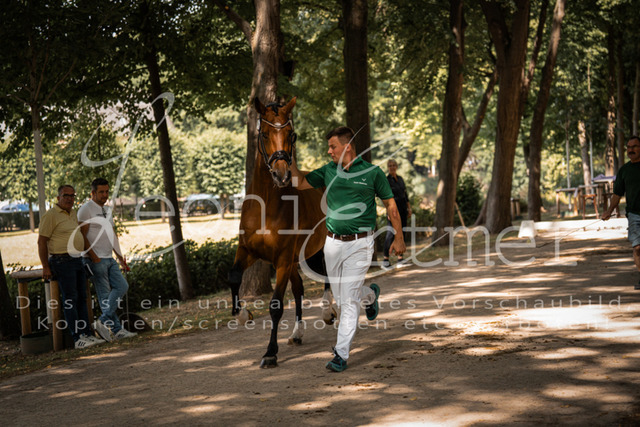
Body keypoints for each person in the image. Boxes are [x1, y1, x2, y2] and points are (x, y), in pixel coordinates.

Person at [291, 126, 406, 372]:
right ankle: (370, 295)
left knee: (347, 302)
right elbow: (298, 183)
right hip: (332, 244)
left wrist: (399, 237)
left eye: (333, 146)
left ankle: (341, 354)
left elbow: (391, 205)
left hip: (360, 243)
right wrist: (289, 158)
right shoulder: (327, 171)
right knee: (344, 295)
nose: (329, 151)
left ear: (348, 146)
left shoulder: (373, 173)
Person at [38, 185, 105, 349]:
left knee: (82, 298)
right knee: (70, 299)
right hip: (62, 261)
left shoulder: (73, 213)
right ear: (58, 198)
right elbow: (41, 242)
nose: (69, 199)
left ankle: (87, 334)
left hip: (77, 260)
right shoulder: (51, 215)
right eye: (65, 195)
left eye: (72, 196)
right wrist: (45, 266)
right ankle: (77, 337)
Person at [78, 178, 137, 341]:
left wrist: (120, 257)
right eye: (101, 192)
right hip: (95, 260)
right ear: (93, 193)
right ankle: (117, 331)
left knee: (122, 286)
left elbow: (112, 234)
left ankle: (102, 321)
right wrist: (94, 257)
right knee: (105, 296)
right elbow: (82, 236)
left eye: (106, 192)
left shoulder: (107, 209)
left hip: (109, 258)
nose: (105, 195)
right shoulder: (85, 210)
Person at [602, 135, 640, 289]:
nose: (631, 150)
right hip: (634, 214)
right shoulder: (624, 170)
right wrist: (609, 211)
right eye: (628, 147)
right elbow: (617, 194)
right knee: (637, 247)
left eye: (634, 146)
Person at [382, 159, 412, 268]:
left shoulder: (400, 179)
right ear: (388, 167)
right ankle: (385, 260)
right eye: (390, 165)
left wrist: (409, 208)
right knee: (390, 233)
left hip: (403, 209)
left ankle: (400, 258)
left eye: (394, 165)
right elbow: (385, 198)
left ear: (397, 167)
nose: (392, 167)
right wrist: (388, 212)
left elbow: (405, 194)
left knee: (402, 232)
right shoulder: (386, 180)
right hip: (393, 211)